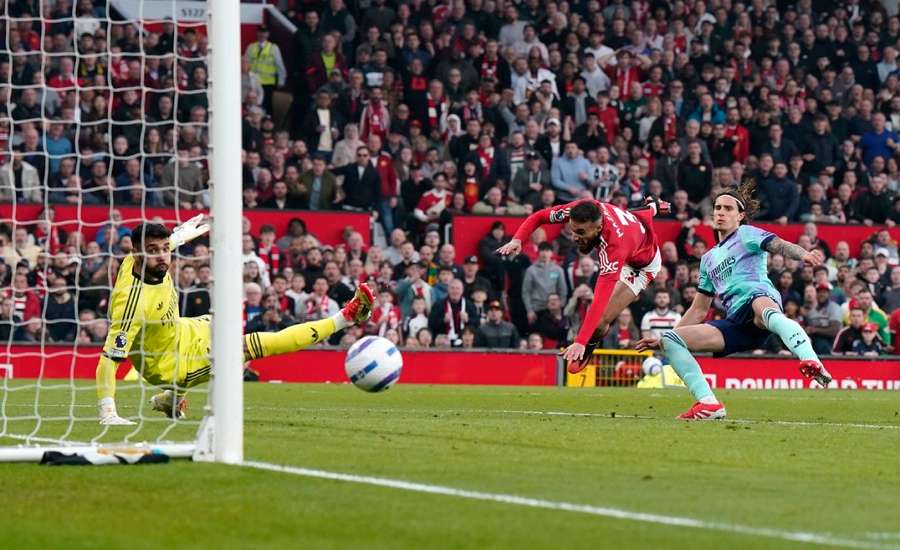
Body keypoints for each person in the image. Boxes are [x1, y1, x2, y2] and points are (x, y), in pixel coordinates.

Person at [96, 218, 375, 425]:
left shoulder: (150, 258)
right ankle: (347, 317)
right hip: (170, 364)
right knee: (250, 347)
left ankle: (171, 401)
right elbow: (108, 360)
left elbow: (165, 244)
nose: (161, 256)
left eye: (164, 249)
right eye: (152, 250)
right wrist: (108, 412)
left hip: (183, 330)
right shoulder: (131, 303)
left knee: (227, 323)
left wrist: (180, 235)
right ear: (135, 252)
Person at [635, 183, 832, 420]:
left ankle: (811, 360)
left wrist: (803, 254)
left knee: (762, 308)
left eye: (728, 208)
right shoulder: (707, 259)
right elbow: (698, 309)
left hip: (758, 299)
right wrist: (664, 343)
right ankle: (709, 404)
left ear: (740, 216)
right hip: (736, 323)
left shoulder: (746, 234)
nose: (720, 212)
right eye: (718, 207)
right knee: (671, 338)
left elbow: (778, 244)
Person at [499, 197, 668, 372]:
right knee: (644, 210)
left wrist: (580, 341)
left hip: (641, 267)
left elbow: (599, 300)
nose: (574, 237)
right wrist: (517, 239)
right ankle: (653, 204)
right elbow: (540, 216)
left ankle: (590, 345)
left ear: (599, 227)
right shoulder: (580, 209)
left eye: (580, 232)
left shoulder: (614, 248)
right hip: (632, 229)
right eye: (572, 230)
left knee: (600, 319)